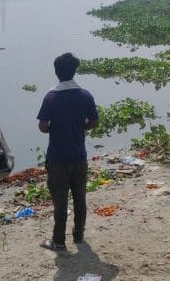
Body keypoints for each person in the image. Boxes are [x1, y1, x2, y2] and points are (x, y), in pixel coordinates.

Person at [37, 52, 99, 251]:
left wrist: (58, 126)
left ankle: (58, 241)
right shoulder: (85, 95)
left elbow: (43, 126)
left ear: (56, 72)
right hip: (79, 156)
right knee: (80, 197)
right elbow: (94, 122)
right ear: (74, 71)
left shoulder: (51, 97)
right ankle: (78, 235)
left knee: (60, 201)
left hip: (58, 158)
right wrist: (80, 127)